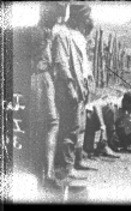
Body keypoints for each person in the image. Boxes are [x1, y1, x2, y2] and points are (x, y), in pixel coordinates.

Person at [52, 4, 93, 179]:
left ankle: (73, 162)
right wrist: (70, 87)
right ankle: (65, 168)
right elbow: (62, 63)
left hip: (80, 85)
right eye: (84, 17)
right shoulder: (62, 33)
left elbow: (82, 64)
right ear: (75, 17)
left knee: (78, 127)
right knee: (69, 127)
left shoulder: (78, 35)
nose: (86, 21)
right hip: (69, 86)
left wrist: (87, 83)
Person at [29, 2, 65, 190]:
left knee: (41, 125)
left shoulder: (41, 32)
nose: (56, 20)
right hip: (42, 78)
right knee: (51, 123)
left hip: (38, 78)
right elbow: (50, 62)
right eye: (54, 16)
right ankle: (47, 174)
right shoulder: (43, 33)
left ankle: (42, 173)